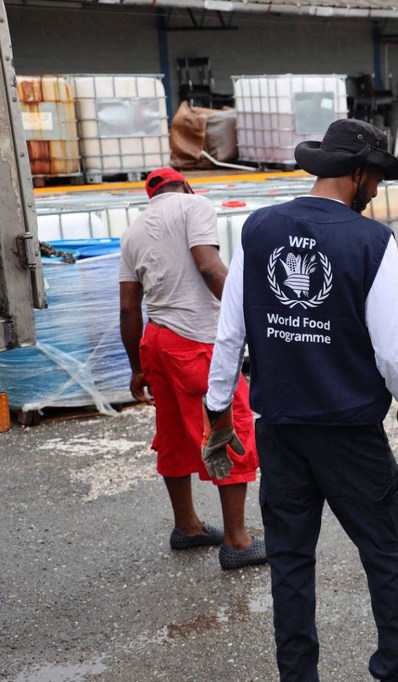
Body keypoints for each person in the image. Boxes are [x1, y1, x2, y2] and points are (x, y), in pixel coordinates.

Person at [203, 119, 398, 682]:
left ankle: (298, 675)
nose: (377, 191)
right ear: (358, 173)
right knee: (385, 553)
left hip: (280, 431)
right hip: (350, 435)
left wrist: (217, 413)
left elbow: (230, 333)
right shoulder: (371, 242)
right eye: (377, 178)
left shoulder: (258, 228)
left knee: (290, 562)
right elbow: (395, 355)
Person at [118, 167, 266, 570]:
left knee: (173, 433)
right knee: (229, 427)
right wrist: (252, 317)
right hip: (196, 342)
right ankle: (237, 541)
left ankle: (188, 527)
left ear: (151, 195)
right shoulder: (194, 205)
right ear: (184, 184)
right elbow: (209, 267)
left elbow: (129, 307)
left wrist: (136, 367)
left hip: (156, 342)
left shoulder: (132, 232)